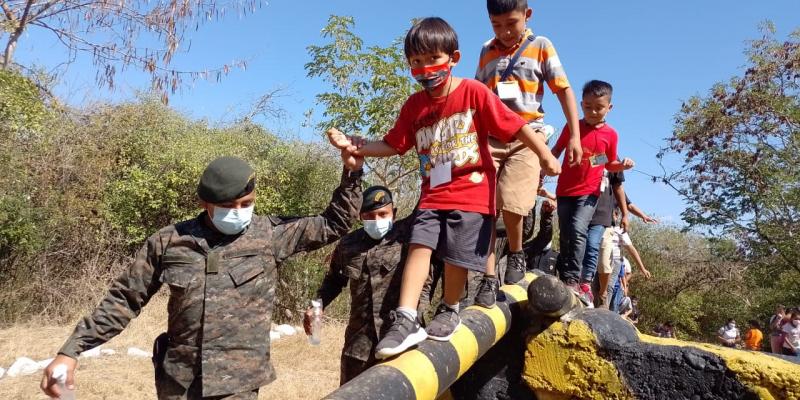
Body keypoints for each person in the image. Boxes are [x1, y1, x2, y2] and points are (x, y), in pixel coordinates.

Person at [327, 17, 561, 359]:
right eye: (415, 62)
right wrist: (356, 145)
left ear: (453, 58)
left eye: (432, 59)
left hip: (472, 192)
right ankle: (405, 318)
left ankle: (450, 307)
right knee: (419, 247)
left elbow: (516, 125)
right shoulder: (414, 106)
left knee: (456, 256)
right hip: (433, 193)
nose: (424, 69)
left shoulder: (473, 92)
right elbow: (394, 144)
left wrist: (544, 155)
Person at [40, 155, 364, 400]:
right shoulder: (169, 241)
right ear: (204, 203)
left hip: (238, 383)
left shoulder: (271, 234)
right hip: (178, 382)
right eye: (227, 205)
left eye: (247, 203)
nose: (239, 211)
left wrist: (352, 173)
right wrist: (71, 350)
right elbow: (125, 298)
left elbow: (333, 224)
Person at [473, 0, 582, 304]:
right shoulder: (486, 51)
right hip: (492, 137)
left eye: (512, 23)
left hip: (528, 136)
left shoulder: (542, 45)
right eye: (497, 25)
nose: (505, 32)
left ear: (527, 15)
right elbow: (478, 96)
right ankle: (488, 276)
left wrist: (574, 135)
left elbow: (564, 90)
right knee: (484, 208)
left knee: (514, 204)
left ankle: (517, 253)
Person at [304, 186, 436, 385]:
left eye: (383, 214)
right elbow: (334, 280)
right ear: (360, 216)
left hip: (402, 342)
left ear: (395, 213)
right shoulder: (348, 244)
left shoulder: (409, 234)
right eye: (369, 216)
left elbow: (430, 197)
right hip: (359, 347)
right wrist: (317, 305)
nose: (376, 221)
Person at [551, 80, 634, 293]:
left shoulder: (611, 135)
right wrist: (542, 170)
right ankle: (564, 272)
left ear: (609, 108)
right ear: (580, 104)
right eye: (588, 107)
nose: (593, 112)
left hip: (589, 191)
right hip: (565, 189)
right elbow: (556, 151)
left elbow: (608, 163)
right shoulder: (573, 127)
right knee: (566, 232)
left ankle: (573, 279)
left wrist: (622, 164)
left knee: (579, 229)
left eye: (599, 107)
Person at [596, 209, 651, 308]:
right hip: (598, 258)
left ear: (616, 216)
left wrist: (642, 268)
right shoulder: (599, 227)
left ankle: (604, 308)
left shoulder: (619, 230)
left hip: (614, 260)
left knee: (609, 286)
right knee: (596, 285)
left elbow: (631, 249)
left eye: (612, 214)